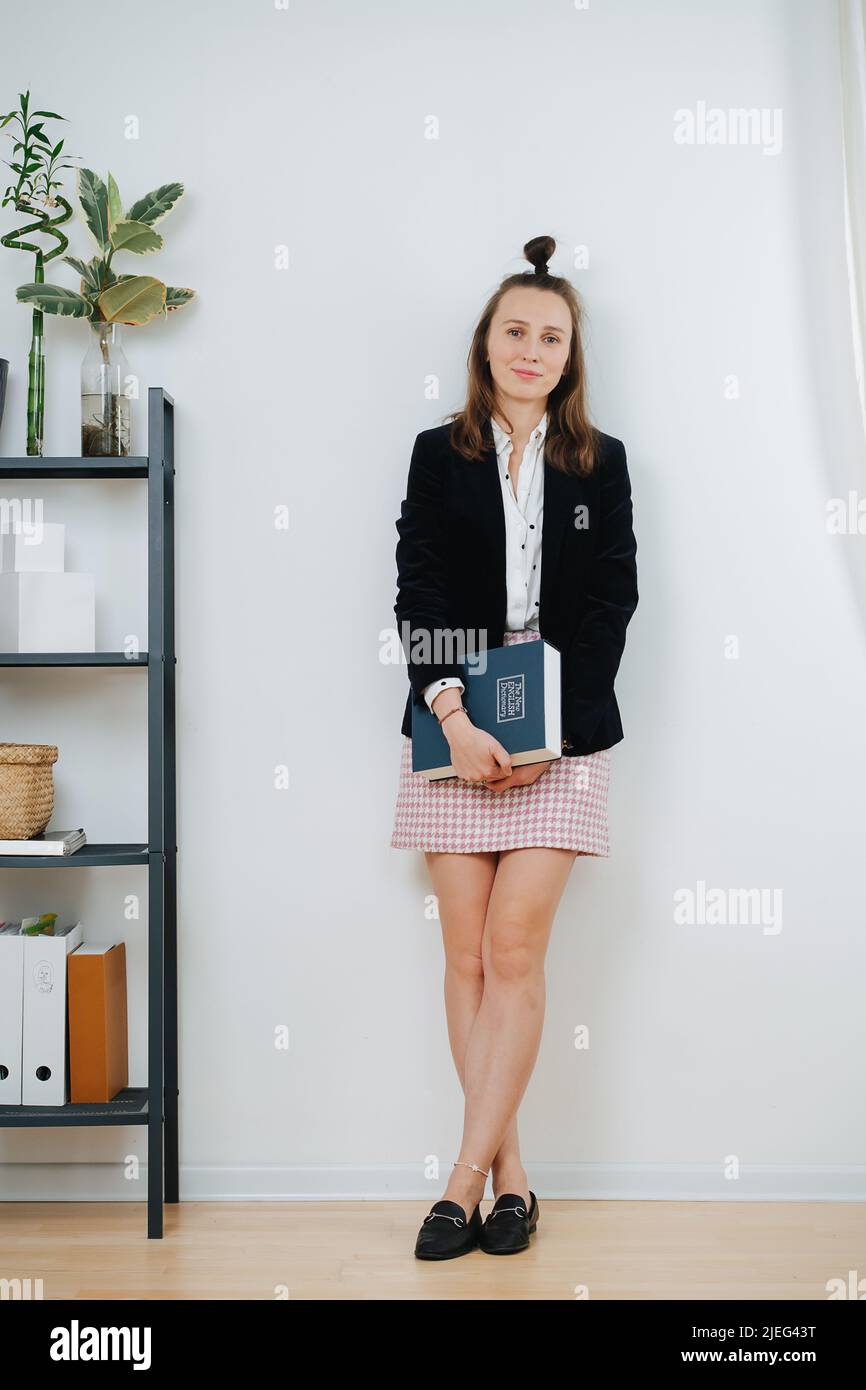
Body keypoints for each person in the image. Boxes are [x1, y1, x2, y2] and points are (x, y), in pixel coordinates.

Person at [390, 234, 639, 1259]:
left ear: (568, 355)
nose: (530, 350)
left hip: (562, 732)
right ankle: (513, 1180)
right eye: (514, 331)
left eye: (550, 336)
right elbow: (420, 590)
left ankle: (456, 1183)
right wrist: (454, 714)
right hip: (451, 715)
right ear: (484, 343)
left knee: (510, 949)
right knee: (461, 955)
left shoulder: (600, 460)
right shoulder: (434, 451)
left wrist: (556, 733)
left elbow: (606, 600)